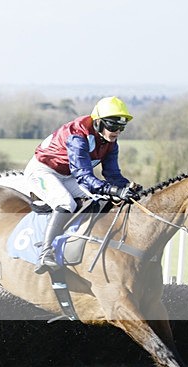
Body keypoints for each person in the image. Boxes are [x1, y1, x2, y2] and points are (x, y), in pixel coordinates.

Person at [24, 96, 138, 274]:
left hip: (67, 174)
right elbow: (84, 177)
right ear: (98, 122)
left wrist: (127, 188)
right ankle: (45, 253)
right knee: (65, 203)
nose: (117, 132)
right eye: (113, 126)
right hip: (42, 170)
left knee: (98, 199)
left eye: (121, 127)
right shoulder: (78, 135)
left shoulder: (110, 143)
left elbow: (112, 175)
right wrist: (113, 189)